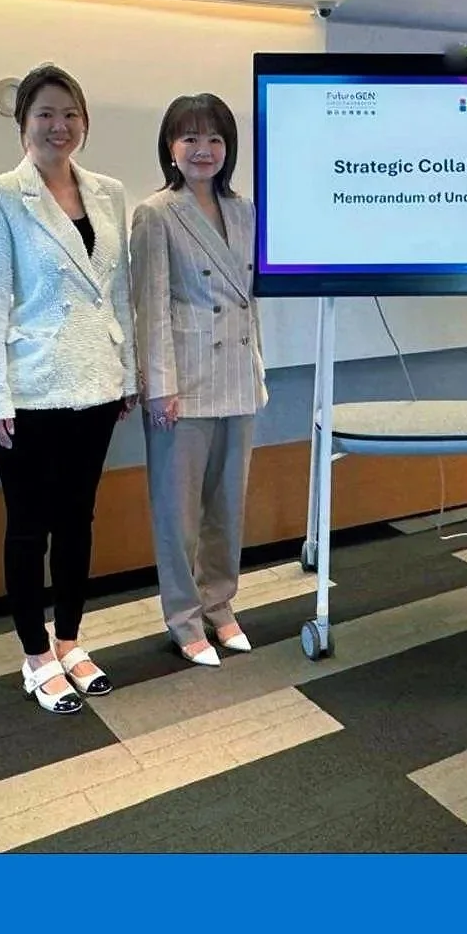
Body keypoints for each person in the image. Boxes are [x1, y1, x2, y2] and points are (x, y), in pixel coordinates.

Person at [0, 64, 138, 715]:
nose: (58, 125)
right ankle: (34, 655)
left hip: (96, 383)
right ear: (23, 123)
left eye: (69, 113)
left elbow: (117, 292)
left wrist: (127, 372)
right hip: (29, 390)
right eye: (44, 113)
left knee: (77, 521)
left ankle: (69, 640)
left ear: (84, 121)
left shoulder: (107, 192)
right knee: (28, 527)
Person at [130, 93, 266, 667]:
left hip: (238, 376)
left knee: (227, 507)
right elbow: (149, 306)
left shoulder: (247, 210)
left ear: (228, 147)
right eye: (190, 138)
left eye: (214, 138)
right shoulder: (156, 212)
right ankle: (184, 618)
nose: (203, 150)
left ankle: (221, 605)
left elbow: (251, 300)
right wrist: (158, 385)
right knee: (178, 512)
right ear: (170, 148)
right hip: (183, 383)